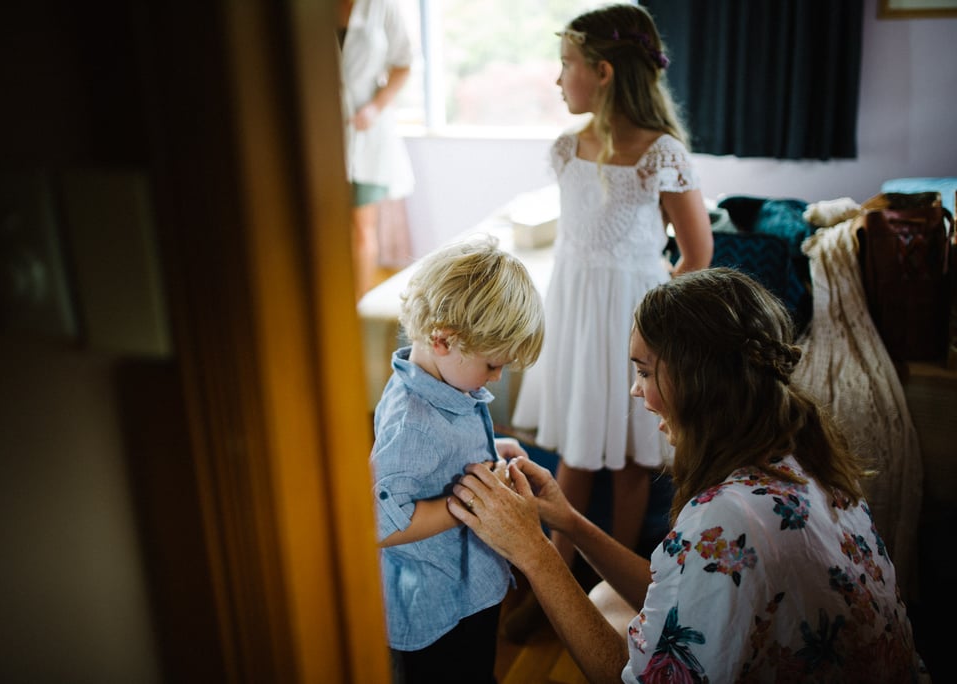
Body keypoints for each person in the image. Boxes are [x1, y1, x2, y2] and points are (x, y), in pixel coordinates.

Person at [449, 268, 929, 683]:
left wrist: (534, 551)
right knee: (607, 598)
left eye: (646, 372)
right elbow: (680, 586)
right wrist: (570, 521)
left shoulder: (730, 513)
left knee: (606, 608)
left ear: (698, 380)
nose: (637, 392)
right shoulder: (799, 452)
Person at [505, 2, 712, 640]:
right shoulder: (568, 149)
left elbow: (698, 256)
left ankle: (610, 594)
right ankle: (550, 582)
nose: (557, 77)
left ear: (600, 70)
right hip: (575, 317)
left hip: (631, 322)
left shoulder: (661, 153)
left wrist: (651, 325)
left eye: (565, 64)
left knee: (627, 463)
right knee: (574, 452)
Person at [371, 236, 545, 682]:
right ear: (444, 339)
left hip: (470, 588)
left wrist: (491, 450)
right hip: (436, 607)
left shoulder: (446, 382)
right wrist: (462, 506)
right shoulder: (411, 422)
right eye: (491, 365)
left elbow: (445, 450)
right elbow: (382, 522)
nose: (497, 376)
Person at [338, 0, 416, 300]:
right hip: (319, 129)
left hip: (366, 130)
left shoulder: (382, 7)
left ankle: (358, 302)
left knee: (361, 223)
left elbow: (404, 63)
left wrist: (375, 107)